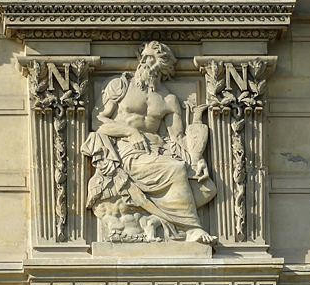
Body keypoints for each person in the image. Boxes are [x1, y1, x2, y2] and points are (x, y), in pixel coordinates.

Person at [82, 41, 216, 244]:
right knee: (176, 169)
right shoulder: (120, 85)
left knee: (207, 187)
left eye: (150, 57)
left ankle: (158, 217)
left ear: (162, 64)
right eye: (142, 57)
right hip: (127, 152)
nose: (143, 61)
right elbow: (97, 121)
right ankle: (191, 228)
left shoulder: (168, 100)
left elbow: (178, 138)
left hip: (157, 152)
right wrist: (129, 132)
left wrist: (198, 160)